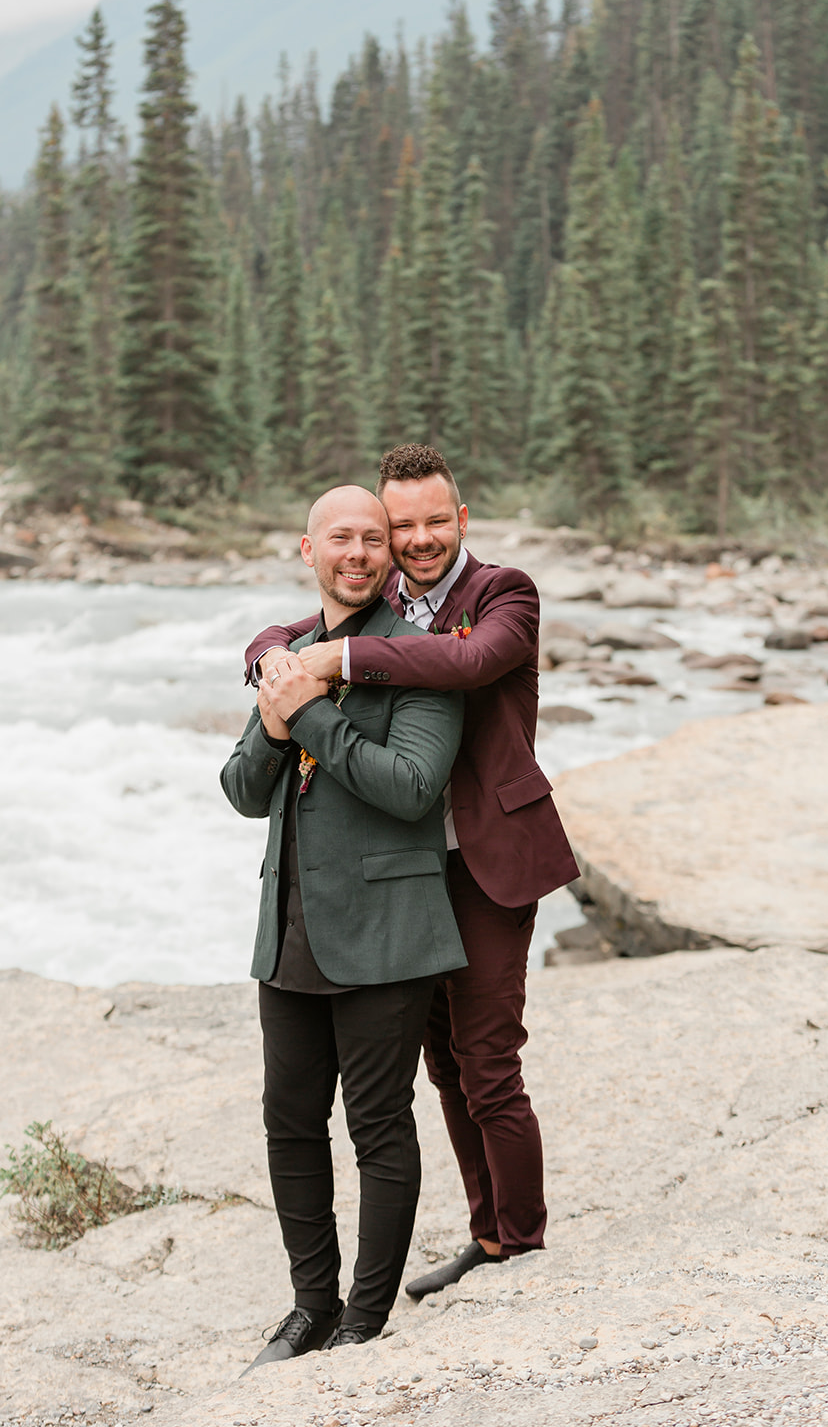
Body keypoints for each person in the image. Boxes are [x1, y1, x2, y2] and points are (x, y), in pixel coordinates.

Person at [245, 444, 579, 1300]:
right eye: (404, 527)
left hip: (485, 860)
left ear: (462, 520)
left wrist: (335, 665)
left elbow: (464, 665)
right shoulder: (383, 594)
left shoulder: (504, 594)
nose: (420, 539)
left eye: (436, 521)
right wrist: (273, 654)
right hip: (407, 869)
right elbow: (292, 627)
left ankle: (524, 1245)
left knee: (487, 1057)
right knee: (438, 1060)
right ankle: (486, 1232)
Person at [221, 484, 465, 1368]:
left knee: (377, 1126)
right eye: (341, 539)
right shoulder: (284, 654)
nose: (358, 552)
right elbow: (243, 792)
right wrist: (276, 723)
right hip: (288, 926)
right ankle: (308, 1308)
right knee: (288, 1122)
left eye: (373, 539)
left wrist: (311, 707)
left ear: (389, 554)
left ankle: (365, 1319)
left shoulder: (421, 657)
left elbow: (410, 788)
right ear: (308, 549)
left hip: (388, 929)